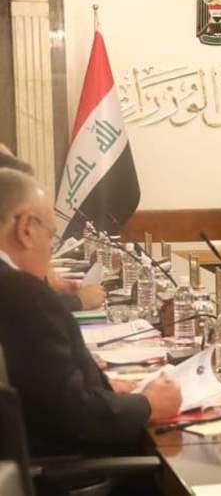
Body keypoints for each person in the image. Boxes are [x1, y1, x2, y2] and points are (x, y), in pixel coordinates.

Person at [0, 168, 181, 457]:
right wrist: (148, 404)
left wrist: (104, 387)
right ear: (26, 229)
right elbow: (71, 415)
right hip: (66, 464)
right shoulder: (22, 292)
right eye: (51, 236)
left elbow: (41, 386)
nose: (50, 250)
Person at [0, 151, 105, 311]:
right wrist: (77, 301)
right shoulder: (14, 288)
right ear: (25, 229)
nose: (50, 247)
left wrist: (47, 283)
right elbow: (24, 307)